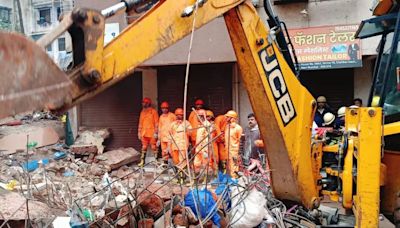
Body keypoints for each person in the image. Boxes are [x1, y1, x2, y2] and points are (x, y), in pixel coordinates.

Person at [169, 108, 192, 183]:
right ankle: (178, 177)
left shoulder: (187, 123)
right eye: (178, 115)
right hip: (174, 146)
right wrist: (168, 146)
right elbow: (170, 135)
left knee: (182, 162)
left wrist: (186, 129)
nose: (179, 116)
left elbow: (190, 133)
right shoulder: (172, 124)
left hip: (183, 145)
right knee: (176, 162)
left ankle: (182, 178)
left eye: (181, 115)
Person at [194, 109, 216, 175]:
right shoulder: (200, 125)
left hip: (205, 149)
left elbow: (208, 139)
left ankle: (207, 180)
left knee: (206, 165)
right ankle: (196, 181)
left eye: (200, 116)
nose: (198, 118)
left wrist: (206, 151)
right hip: (198, 149)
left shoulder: (207, 125)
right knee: (196, 164)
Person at [138, 97, 159, 167]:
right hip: (144, 133)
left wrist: (156, 132)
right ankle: (142, 161)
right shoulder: (142, 112)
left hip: (152, 133)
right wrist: (139, 132)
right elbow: (140, 123)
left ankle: (156, 161)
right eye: (143, 102)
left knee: (154, 147)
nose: (143, 104)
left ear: (148, 103)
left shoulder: (153, 112)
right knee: (144, 147)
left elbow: (156, 123)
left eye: (144, 103)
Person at [224, 110, 243, 178]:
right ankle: (230, 180)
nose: (226, 118)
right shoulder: (227, 127)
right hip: (227, 151)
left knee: (234, 167)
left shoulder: (238, 128)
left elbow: (240, 140)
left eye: (228, 117)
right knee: (228, 167)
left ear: (233, 118)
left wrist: (239, 152)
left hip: (234, 151)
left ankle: (235, 180)